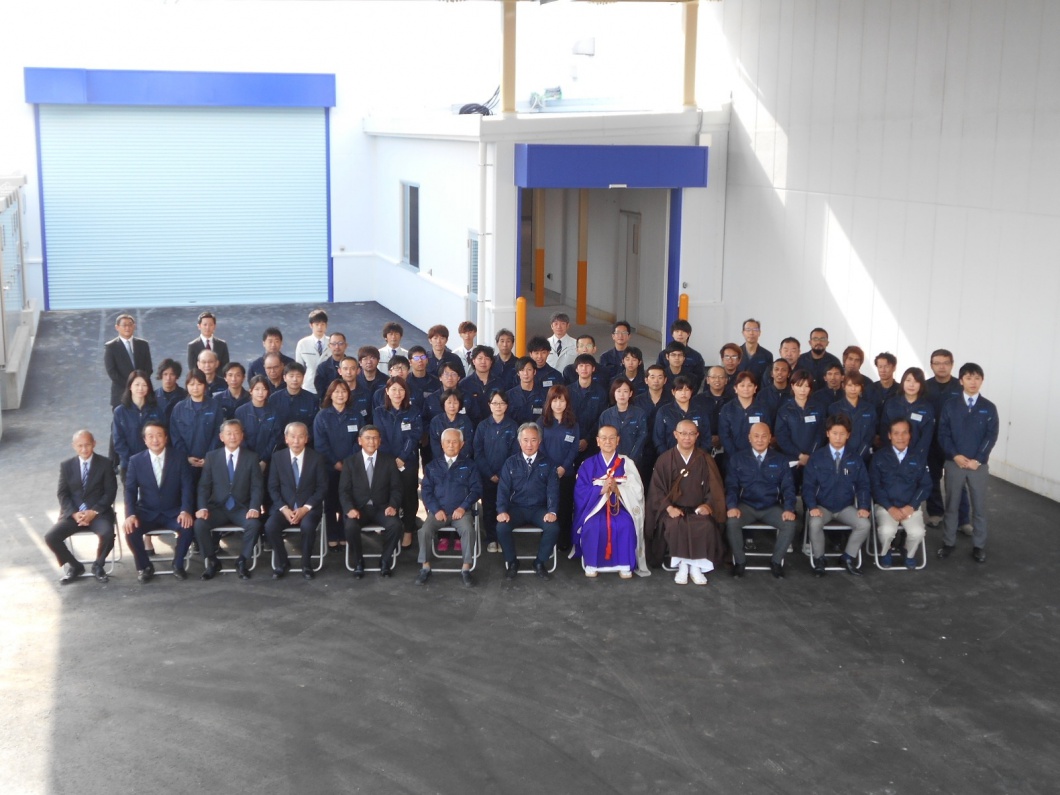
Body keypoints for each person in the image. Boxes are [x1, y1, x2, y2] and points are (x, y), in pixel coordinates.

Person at [645, 420, 727, 585]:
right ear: (675, 434)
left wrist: (707, 505)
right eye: (683, 433)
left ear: (697, 436)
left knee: (705, 524)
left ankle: (696, 567)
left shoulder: (705, 459)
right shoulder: (664, 459)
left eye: (691, 434)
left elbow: (714, 488)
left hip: (698, 509)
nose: (687, 438)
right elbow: (656, 490)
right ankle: (682, 566)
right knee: (675, 525)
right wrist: (668, 508)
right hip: (673, 509)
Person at [937, 363, 998, 564]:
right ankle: (948, 542)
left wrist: (978, 459)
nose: (973, 382)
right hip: (954, 463)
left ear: (982, 381)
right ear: (961, 381)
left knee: (979, 507)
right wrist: (955, 455)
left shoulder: (988, 407)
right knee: (952, 505)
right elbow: (943, 433)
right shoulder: (950, 405)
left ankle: (979, 546)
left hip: (978, 466)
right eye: (969, 378)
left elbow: (991, 435)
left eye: (977, 378)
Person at [571, 424, 648, 578]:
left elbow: (637, 490)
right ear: (598, 441)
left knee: (626, 524)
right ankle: (592, 564)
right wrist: (600, 490)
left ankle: (624, 564)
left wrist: (618, 489)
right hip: (594, 508)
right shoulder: (588, 464)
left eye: (612, 438)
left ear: (618, 440)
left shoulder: (626, 463)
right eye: (604, 438)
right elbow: (580, 491)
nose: (608, 441)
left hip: (620, 507)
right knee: (592, 525)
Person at [123, 421, 195, 583]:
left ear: (166, 438)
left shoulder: (179, 457)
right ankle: (145, 567)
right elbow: (130, 490)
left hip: (173, 511)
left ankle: (178, 565)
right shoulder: (135, 461)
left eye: (159, 435)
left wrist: (185, 510)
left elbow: (187, 487)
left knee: (188, 527)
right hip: (147, 512)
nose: (155, 440)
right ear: (145, 440)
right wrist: (130, 514)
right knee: (130, 529)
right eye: (150, 436)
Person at [193, 419, 264, 580]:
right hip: (218, 507)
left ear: (242, 436)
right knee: (200, 524)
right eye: (229, 433)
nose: (233, 437)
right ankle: (212, 561)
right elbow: (204, 486)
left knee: (254, 524)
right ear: (221, 437)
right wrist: (202, 507)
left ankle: (242, 560)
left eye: (236, 433)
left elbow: (257, 486)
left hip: (240, 508)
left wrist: (254, 507)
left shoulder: (251, 457)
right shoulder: (212, 457)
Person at [725, 423, 797, 578]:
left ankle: (776, 562)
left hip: (771, 506)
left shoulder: (780, 460)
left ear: (770, 438)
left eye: (764, 436)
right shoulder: (738, 459)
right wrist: (732, 506)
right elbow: (731, 486)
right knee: (732, 522)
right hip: (746, 506)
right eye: (756, 436)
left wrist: (789, 509)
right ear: (749, 438)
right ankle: (740, 562)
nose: (760, 440)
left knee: (789, 524)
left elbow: (788, 488)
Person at [802, 415, 871, 577]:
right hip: (822, 507)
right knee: (814, 524)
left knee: (864, 524)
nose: (838, 437)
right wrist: (812, 506)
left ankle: (848, 557)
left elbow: (863, 485)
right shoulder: (817, 457)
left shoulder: (855, 458)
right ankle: (819, 559)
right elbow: (808, 486)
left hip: (845, 507)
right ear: (828, 433)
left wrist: (863, 506)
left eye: (842, 434)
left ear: (848, 435)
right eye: (834, 433)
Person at [45, 430, 117, 584]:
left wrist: (94, 511)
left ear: (94, 444)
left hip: (98, 513)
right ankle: (75, 566)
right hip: (74, 515)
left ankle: (98, 565)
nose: (84, 449)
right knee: (51, 537)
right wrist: (73, 513)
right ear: (74, 446)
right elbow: (62, 493)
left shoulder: (105, 464)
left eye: (87, 445)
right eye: (80, 446)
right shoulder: (66, 466)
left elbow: (110, 492)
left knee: (108, 534)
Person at [416, 428, 482, 587]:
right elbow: (426, 491)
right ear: (442, 444)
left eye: (455, 442)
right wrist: (435, 509)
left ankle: (466, 568)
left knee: (468, 530)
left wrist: (463, 507)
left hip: (461, 513)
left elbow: (476, 490)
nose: (451, 445)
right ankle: (425, 567)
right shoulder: (432, 466)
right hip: (439, 512)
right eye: (448, 442)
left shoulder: (470, 465)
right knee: (424, 531)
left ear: (462, 444)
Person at [496, 423, 561, 580]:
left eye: (533, 440)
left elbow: (553, 490)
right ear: (519, 442)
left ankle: (539, 563)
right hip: (516, 508)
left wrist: (552, 511)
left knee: (553, 528)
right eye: (525, 440)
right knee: (501, 527)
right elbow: (503, 490)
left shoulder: (549, 463)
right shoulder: (510, 463)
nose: (529, 444)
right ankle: (512, 562)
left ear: (539, 441)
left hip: (539, 509)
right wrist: (502, 511)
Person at [339, 424, 404, 579]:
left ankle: (385, 560)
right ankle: (358, 562)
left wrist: (393, 505)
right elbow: (344, 491)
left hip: (382, 508)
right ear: (359, 440)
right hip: (358, 509)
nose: (371, 441)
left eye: (375, 438)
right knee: (350, 527)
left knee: (395, 525)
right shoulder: (350, 462)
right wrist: (349, 509)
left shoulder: (389, 461)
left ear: (380, 441)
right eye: (367, 438)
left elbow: (396, 488)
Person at [265, 422, 328, 580]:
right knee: (270, 526)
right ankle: (282, 562)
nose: (296, 440)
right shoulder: (277, 458)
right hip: (284, 508)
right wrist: (284, 508)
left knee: (308, 527)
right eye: (292, 436)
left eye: (300, 436)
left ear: (306, 438)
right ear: (286, 439)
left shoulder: (317, 458)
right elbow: (272, 487)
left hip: (309, 509)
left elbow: (322, 488)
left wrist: (305, 508)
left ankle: (306, 564)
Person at [870, 418, 931, 569]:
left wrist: (912, 505)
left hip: (910, 507)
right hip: (886, 507)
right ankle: (885, 552)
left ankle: (908, 553)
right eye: (896, 433)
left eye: (904, 433)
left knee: (918, 532)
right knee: (886, 531)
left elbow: (926, 485)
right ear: (889, 436)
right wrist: (889, 507)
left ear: (910, 435)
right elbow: (875, 486)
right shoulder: (879, 457)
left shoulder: (918, 457)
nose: (901, 437)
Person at [313, 380, 363, 549]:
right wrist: (335, 462)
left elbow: (359, 441)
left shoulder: (356, 415)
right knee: (330, 502)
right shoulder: (322, 416)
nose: (340, 395)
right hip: (329, 467)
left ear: (348, 394)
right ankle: (332, 535)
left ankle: (343, 534)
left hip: (351, 467)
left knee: (346, 501)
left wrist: (347, 463)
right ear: (330, 394)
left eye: (343, 391)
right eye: (336, 391)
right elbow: (320, 444)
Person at [924, 348, 970, 530]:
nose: (941, 367)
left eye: (945, 363)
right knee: (932, 478)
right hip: (931, 442)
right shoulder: (925, 387)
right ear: (931, 365)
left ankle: (963, 519)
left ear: (952, 365)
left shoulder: (961, 388)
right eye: (937, 363)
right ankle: (935, 513)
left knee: (958, 482)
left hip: (955, 444)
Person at [374, 376, 423, 549]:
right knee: (387, 494)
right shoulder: (380, 412)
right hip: (386, 461)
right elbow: (379, 436)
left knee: (409, 495)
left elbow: (415, 436)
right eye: (393, 389)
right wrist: (391, 460)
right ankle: (391, 529)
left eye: (401, 389)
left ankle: (408, 530)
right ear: (387, 391)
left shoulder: (413, 411)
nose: (397, 393)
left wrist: (402, 457)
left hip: (408, 461)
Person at [473, 389, 519, 554]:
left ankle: (504, 538)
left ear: (506, 406)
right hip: (487, 476)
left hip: (507, 477)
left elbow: (515, 453)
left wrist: (502, 474)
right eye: (495, 403)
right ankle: (492, 539)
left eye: (502, 403)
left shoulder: (513, 426)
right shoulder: (483, 426)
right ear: (489, 405)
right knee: (489, 508)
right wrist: (490, 474)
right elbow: (478, 452)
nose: (498, 406)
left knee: (506, 507)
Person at [537, 384, 580, 550]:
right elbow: (540, 447)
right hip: (546, 473)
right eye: (554, 400)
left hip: (566, 473)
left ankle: (563, 541)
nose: (558, 404)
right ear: (549, 402)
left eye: (561, 400)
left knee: (565, 506)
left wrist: (563, 467)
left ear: (567, 402)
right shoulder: (542, 422)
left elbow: (574, 448)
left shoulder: (573, 424)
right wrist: (552, 469)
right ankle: (547, 540)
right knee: (547, 506)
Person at [168, 369, 223, 485]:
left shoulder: (214, 406)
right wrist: (186, 457)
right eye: (192, 384)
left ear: (205, 386)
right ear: (187, 386)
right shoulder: (179, 408)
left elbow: (218, 433)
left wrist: (209, 457)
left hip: (210, 462)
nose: (195, 388)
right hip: (186, 462)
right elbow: (175, 435)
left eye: (199, 384)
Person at [774, 369, 827, 487]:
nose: (803, 390)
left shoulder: (819, 408)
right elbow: (782, 437)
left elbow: (821, 434)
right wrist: (800, 455)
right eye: (799, 386)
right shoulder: (784, 410)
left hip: (814, 457)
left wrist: (809, 455)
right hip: (792, 459)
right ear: (792, 386)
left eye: (806, 386)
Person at [112, 370, 166, 479]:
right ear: (130, 386)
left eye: (144, 385)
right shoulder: (120, 412)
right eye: (137, 384)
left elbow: (163, 435)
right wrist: (132, 461)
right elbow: (118, 441)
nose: (140, 388)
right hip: (129, 465)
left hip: (153, 464)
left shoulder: (156, 410)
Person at [880, 367, 935, 460]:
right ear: (903, 382)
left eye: (916, 381)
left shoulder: (927, 407)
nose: (911, 385)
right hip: (891, 456)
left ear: (921, 385)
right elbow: (884, 429)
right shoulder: (891, 403)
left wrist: (916, 457)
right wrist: (891, 453)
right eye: (908, 380)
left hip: (916, 457)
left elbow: (926, 437)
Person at [235, 376, 284, 478]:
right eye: (257, 389)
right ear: (250, 391)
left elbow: (276, 437)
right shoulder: (241, 411)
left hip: (269, 460)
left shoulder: (275, 411)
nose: (260, 392)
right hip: (245, 459)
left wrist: (264, 459)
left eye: (264, 389)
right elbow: (239, 436)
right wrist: (251, 458)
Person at [653, 375, 712, 457]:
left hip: (697, 457)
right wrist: (668, 457)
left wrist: (699, 456)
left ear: (691, 392)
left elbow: (706, 438)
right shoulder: (664, 411)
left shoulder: (700, 411)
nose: (683, 393)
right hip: (670, 457)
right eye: (680, 390)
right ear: (673, 392)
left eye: (687, 390)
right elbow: (658, 439)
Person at [104, 313, 153, 409]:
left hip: (142, 393)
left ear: (134, 326)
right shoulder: (111, 347)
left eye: (130, 325)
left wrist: (139, 384)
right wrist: (131, 385)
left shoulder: (143, 345)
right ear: (117, 327)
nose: (127, 328)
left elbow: (148, 368)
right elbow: (112, 372)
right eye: (124, 325)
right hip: (121, 393)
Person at [717, 372, 769, 460]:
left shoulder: (762, 408)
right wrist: (736, 456)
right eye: (742, 385)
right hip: (732, 457)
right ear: (735, 388)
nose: (746, 389)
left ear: (755, 388)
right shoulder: (727, 409)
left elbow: (766, 432)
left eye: (750, 385)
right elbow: (724, 435)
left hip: (757, 457)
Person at [599, 377, 648, 468]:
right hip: (611, 461)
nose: (622, 395)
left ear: (630, 393)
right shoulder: (606, 415)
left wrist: (631, 459)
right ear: (614, 393)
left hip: (634, 461)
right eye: (618, 391)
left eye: (625, 391)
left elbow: (641, 438)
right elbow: (602, 439)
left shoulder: (639, 413)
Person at [827, 372, 877, 462]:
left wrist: (860, 454)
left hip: (864, 456)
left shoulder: (869, 408)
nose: (853, 389)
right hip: (841, 457)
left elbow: (870, 434)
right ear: (843, 386)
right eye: (849, 385)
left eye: (856, 385)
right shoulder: (834, 408)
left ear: (861, 387)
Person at [267, 361, 318, 431]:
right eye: (291, 376)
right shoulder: (274, 399)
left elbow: (314, 424)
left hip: (303, 437)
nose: (295, 379)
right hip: (280, 437)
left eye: (298, 376)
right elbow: (270, 424)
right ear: (284, 378)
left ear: (303, 378)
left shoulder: (312, 399)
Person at [458, 345, 501, 427]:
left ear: (491, 362)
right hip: (470, 426)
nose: (483, 362)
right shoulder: (464, 384)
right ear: (473, 361)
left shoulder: (499, 383)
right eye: (480, 358)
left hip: (494, 426)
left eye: (487, 358)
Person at [655, 320, 705, 388]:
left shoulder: (696, 356)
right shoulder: (663, 354)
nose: (680, 334)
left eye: (683, 331)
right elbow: (658, 373)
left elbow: (699, 378)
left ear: (689, 334)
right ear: (672, 334)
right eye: (677, 331)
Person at [294, 308, 329, 394]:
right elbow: (299, 367)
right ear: (311, 325)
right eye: (317, 324)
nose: (320, 327)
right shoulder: (303, 343)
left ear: (326, 325)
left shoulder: (332, 342)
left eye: (322, 324)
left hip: (328, 387)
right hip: (309, 387)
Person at [506, 356, 546, 424]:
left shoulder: (544, 394)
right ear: (518, 373)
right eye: (522, 370)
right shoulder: (509, 395)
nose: (525, 373)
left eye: (529, 370)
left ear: (534, 372)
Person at [313, 332, 349, 396]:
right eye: (333, 344)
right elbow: (320, 390)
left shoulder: (353, 366)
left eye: (340, 343)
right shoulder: (322, 368)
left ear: (346, 345)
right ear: (329, 346)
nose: (337, 347)